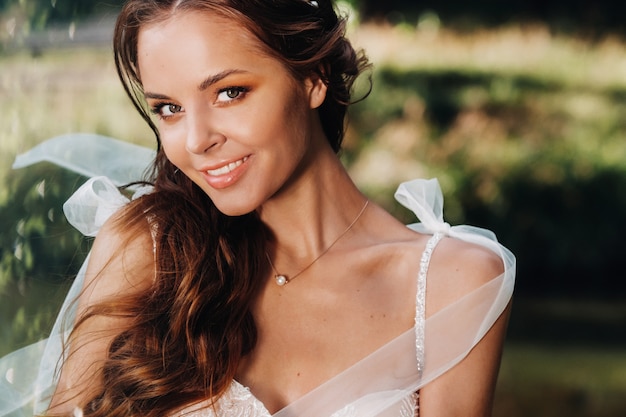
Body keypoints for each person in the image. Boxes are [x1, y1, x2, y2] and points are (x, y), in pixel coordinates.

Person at [1, 0, 515, 416]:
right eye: (169, 109)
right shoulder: (151, 249)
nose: (197, 140)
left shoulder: (450, 283)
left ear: (312, 78)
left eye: (229, 92)